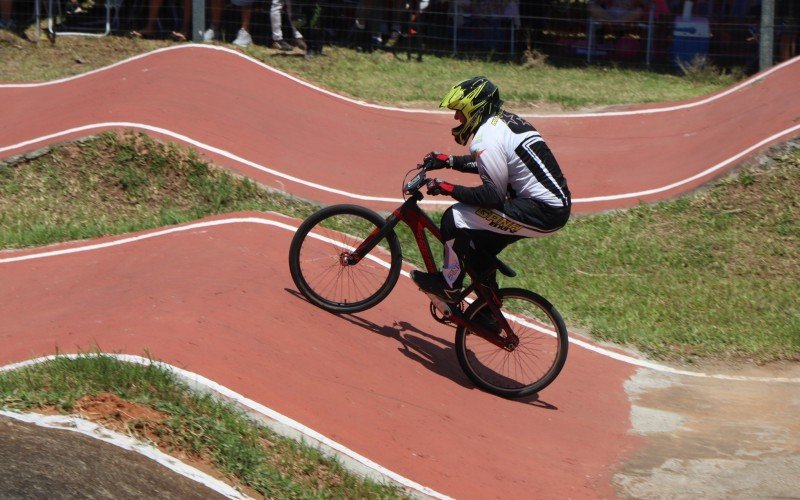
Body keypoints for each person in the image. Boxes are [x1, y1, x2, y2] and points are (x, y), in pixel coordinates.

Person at [410, 76, 571, 304]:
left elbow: (492, 197)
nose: (456, 117)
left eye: (459, 111)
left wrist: (446, 187)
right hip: (547, 206)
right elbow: (493, 165)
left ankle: (448, 285)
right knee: (477, 250)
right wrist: (449, 161)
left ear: (475, 109)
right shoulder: (501, 123)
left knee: (455, 217)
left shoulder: (487, 138)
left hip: (543, 211)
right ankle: (488, 314)